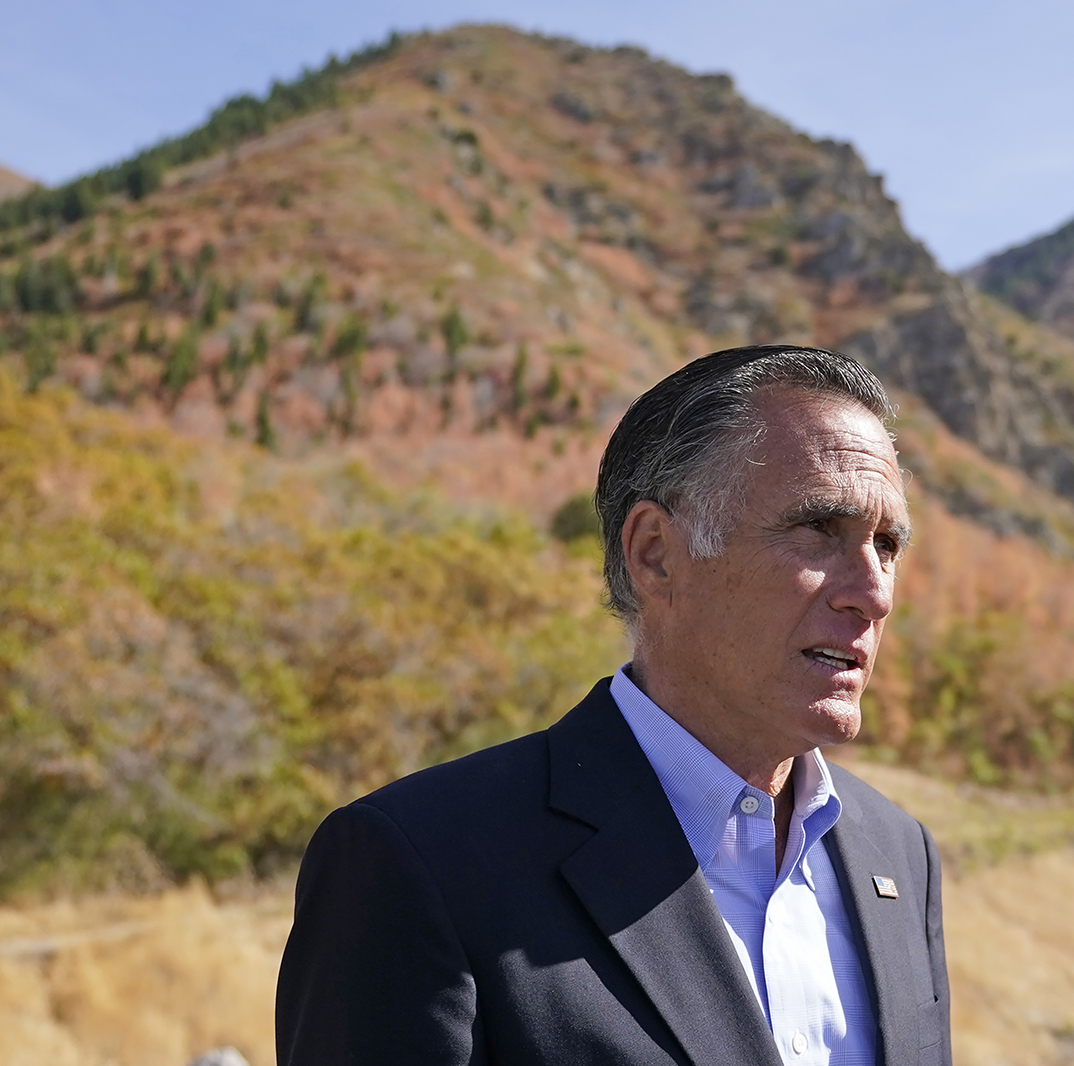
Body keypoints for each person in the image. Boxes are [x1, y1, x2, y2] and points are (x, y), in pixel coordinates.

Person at [276, 344, 951, 1066]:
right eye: (820, 529)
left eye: (886, 545)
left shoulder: (898, 855)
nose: (874, 592)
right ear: (656, 552)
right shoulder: (419, 861)